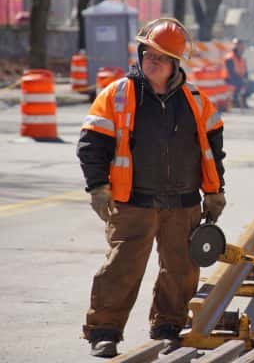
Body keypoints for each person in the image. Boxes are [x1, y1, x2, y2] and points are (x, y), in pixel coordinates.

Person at [76, 18, 227, 358]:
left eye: (161, 57)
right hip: (134, 202)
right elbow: (91, 146)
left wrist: (215, 191)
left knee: (181, 270)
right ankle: (105, 332)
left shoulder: (197, 101)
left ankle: (167, 327)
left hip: (183, 202)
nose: (152, 61)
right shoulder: (116, 95)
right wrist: (98, 187)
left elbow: (213, 149)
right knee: (121, 268)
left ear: (175, 64)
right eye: (148, 54)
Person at [224, 38, 254, 108]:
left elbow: (246, 72)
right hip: (229, 79)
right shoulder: (230, 58)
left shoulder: (243, 59)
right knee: (239, 83)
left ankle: (243, 100)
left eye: (242, 47)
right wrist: (242, 80)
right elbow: (231, 73)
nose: (242, 49)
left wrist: (246, 79)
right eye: (240, 46)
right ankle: (235, 101)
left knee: (251, 84)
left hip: (239, 78)